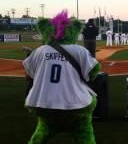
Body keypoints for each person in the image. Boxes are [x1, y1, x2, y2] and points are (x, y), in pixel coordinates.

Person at [23, 11, 101, 143]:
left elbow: (28, 75)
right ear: (74, 30)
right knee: (84, 132)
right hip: (77, 106)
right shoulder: (80, 50)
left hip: (43, 104)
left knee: (42, 132)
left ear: (46, 30)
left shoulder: (41, 50)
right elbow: (93, 74)